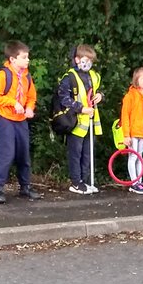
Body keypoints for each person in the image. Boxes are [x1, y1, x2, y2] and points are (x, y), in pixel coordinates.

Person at [0, 38, 41, 203]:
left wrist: (30, 108)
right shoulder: (3, 75)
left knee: (23, 153)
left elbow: (31, 96)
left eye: (27, 57)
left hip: (21, 119)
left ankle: (25, 187)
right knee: (7, 153)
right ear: (12, 59)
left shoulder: (27, 76)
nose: (28, 60)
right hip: (5, 118)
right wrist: (13, 103)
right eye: (24, 57)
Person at [56, 44, 104, 194]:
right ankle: (76, 182)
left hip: (90, 122)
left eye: (91, 60)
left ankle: (85, 180)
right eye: (85, 59)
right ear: (76, 60)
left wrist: (100, 96)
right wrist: (81, 108)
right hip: (75, 122)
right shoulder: (69, 77)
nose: (88, 63)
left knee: (87, 153)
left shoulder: (94, 76)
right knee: (75, 154)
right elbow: (63, 98)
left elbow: (98, 91)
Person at [120, 66, 143, 194]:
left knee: (140, 157)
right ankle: (134, 183)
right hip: (133, 132)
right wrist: (126, 135)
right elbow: (125, 116)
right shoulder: (130, 96)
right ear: (136, 79)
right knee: (133, 157)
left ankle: (139, 182)